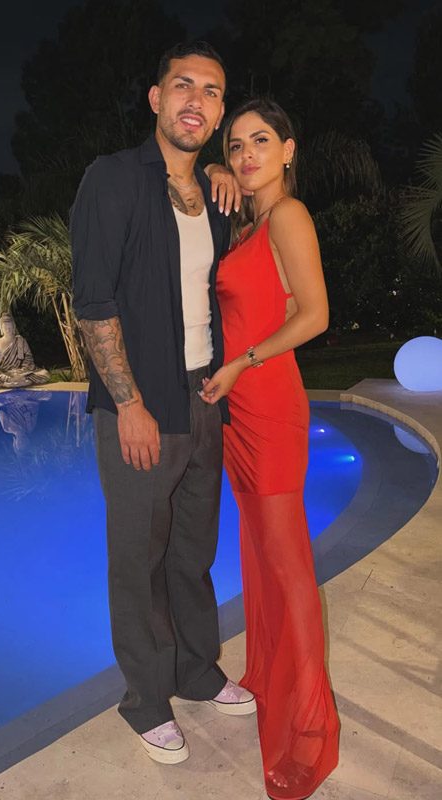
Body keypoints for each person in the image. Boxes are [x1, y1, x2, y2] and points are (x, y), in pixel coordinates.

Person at [70, 42, 255, 766]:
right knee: (137, 558)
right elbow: (94, 302)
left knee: (192, 551)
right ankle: (145, 700)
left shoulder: (214, 191)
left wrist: (219, 174)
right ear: (156, 98)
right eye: (183, 85)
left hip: (204, 394)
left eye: (211, 91)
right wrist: (130, 404)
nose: (195, 101)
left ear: (218, 111)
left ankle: (197, 672)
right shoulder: (113, 178)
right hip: (141, 403)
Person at [200, 98, 340, 799]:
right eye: (236, 144)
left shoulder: (287, 215)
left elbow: (315, 315)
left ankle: (309, 729)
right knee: (258, 553)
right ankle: (270, 676)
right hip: (238, 405)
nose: (248, 153)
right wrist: (213, 172)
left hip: (267, 402)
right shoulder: (247, 223)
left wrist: (242, 362)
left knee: (288, 566)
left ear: (289, 149)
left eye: (261, 140)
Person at [0, 313, 50, 389]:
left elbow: (29, 359)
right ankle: (14, 380)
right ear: (1, 328)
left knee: (45, 374)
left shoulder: (21, 341)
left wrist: (22, 371)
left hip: (22, 372)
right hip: (5, 372)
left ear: (14, 327)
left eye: (10, 327)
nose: (8, 330)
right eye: (5, 328)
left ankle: (13, 381)